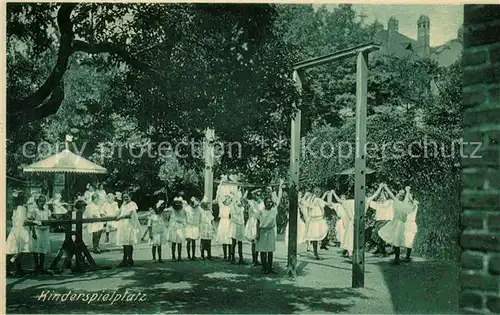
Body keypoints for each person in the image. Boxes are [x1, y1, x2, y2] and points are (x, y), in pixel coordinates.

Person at [330, 183, 384, 258]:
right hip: (359, 222)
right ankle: (352, 253)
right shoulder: (364, 201)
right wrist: (380, 187)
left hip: (353, 222)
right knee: (355, 238)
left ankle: (351, 253)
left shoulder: (350, 202)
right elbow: (374, 195)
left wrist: (333, 193)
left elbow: (339, 200)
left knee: (351, 238)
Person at [378, 185, 415, 265]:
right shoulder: (406, 205)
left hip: (398, 223)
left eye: (399, 194)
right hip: (399, 223)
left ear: (400, 196)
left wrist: (386, 187)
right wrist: (408, 191)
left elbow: (391, 194)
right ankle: (397, 258)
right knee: (396, 240)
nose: (397, 194)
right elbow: (408, 200)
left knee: (396, 241)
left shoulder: (398, 203)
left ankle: (397, 259)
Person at [255, 179, 284, 274]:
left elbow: (278, 199)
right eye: (267, 202)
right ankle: (264, 267)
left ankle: (270, 268)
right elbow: (258, 222)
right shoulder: (261, 211)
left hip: (271, 231)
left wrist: (280, 187)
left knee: (270, 250)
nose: (269, 203)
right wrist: (257, 233)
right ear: (264, 203)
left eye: (270, 202)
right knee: (263, 250)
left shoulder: (274, 210)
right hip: (262, 232)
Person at [6, 190, 32, 277]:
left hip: (15, 230)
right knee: (20, 251)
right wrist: (35, 221)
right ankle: (9, 265)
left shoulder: (15, 208)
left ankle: (17, 268)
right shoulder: (22, 208)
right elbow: (24, 221)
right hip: (21, 231)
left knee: (16, 250)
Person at [115, 192, 141, 267]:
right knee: (124, 243)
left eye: (127, 197)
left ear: (130, 196)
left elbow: (129, 214)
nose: (125, 198)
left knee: (129, 243)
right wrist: (116, 216)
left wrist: (120, 217)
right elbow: (119, 212)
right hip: (123, 225)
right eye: (124, 197)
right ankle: (125, 260)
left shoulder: (132, 204)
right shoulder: (123, 204)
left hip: (130, 225)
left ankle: (130, 259)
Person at [29, 195, 52, 275]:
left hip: (44, 231)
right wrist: (33, 233)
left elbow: (49, 219)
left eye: (43, 201)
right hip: (37, 230)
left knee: (43, 249)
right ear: (37, 202)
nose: (42, 203)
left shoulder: (46, 211)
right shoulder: (34, 211)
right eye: (40, 201)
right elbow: (31, 223)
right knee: (36, 248)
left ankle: (41, 267)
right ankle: (36, 267)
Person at [304, 188, 329, 260]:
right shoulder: (317, 200)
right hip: (318, 220)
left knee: (315, 237)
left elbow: (319, 201)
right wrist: (323, 215)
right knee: (325, 231)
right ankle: (322, 246)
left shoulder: (311, 200)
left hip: (313, 220)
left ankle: (316, 253)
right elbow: (322, 208)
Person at [369, 190, 394, 257]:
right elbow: (369, 201)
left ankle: (384, 252)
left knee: (382, 235)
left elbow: (393, 197)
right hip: (378, 222)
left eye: (383, 197)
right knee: (376, 235)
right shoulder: (377, 204)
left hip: (386, 222)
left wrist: (386, 188)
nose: (381, 198)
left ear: (386, 197)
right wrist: (379, 189)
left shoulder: (390, 202)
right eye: (380, 197)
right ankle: (380, 250)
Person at [245, 190, 263, 266]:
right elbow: (244, 198)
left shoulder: (262, 203)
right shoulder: (251, 202)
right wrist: (247, 190)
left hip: (259, 222)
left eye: (259, 195)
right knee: (253, 242)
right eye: (256, 195)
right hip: (252, 222)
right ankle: (254, 260)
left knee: (258, 241)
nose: (258, 196)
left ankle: (257, 260)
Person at [229, 189, 247, 264]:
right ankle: (232, 258)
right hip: (235, 224)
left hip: (240, 224)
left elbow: (243, 199)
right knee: (233, 241)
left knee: (240, 242)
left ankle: (240, 258)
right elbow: (236, 212)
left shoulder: (240, 205)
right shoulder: (233, 205)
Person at [167, 197, 187, 261]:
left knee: (179, 242)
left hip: (180, 227)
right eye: (176, 203)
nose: (177, 204)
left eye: (179, 203)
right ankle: (173, 256)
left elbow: (185, 216)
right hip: (173, 227)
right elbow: (168, 218)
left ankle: (179, 256)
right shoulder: (171, 210)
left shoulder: (183, 210)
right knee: (174, 241)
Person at [403, 197, 419, 262]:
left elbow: (414, 204)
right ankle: (407, 256)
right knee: (407, 241)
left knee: (410, 241)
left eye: (409, 204)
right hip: (407, 225)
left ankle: (408, 256)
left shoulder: (414, 208)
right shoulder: (407, 210)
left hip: (411, 225)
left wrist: (408, 193)